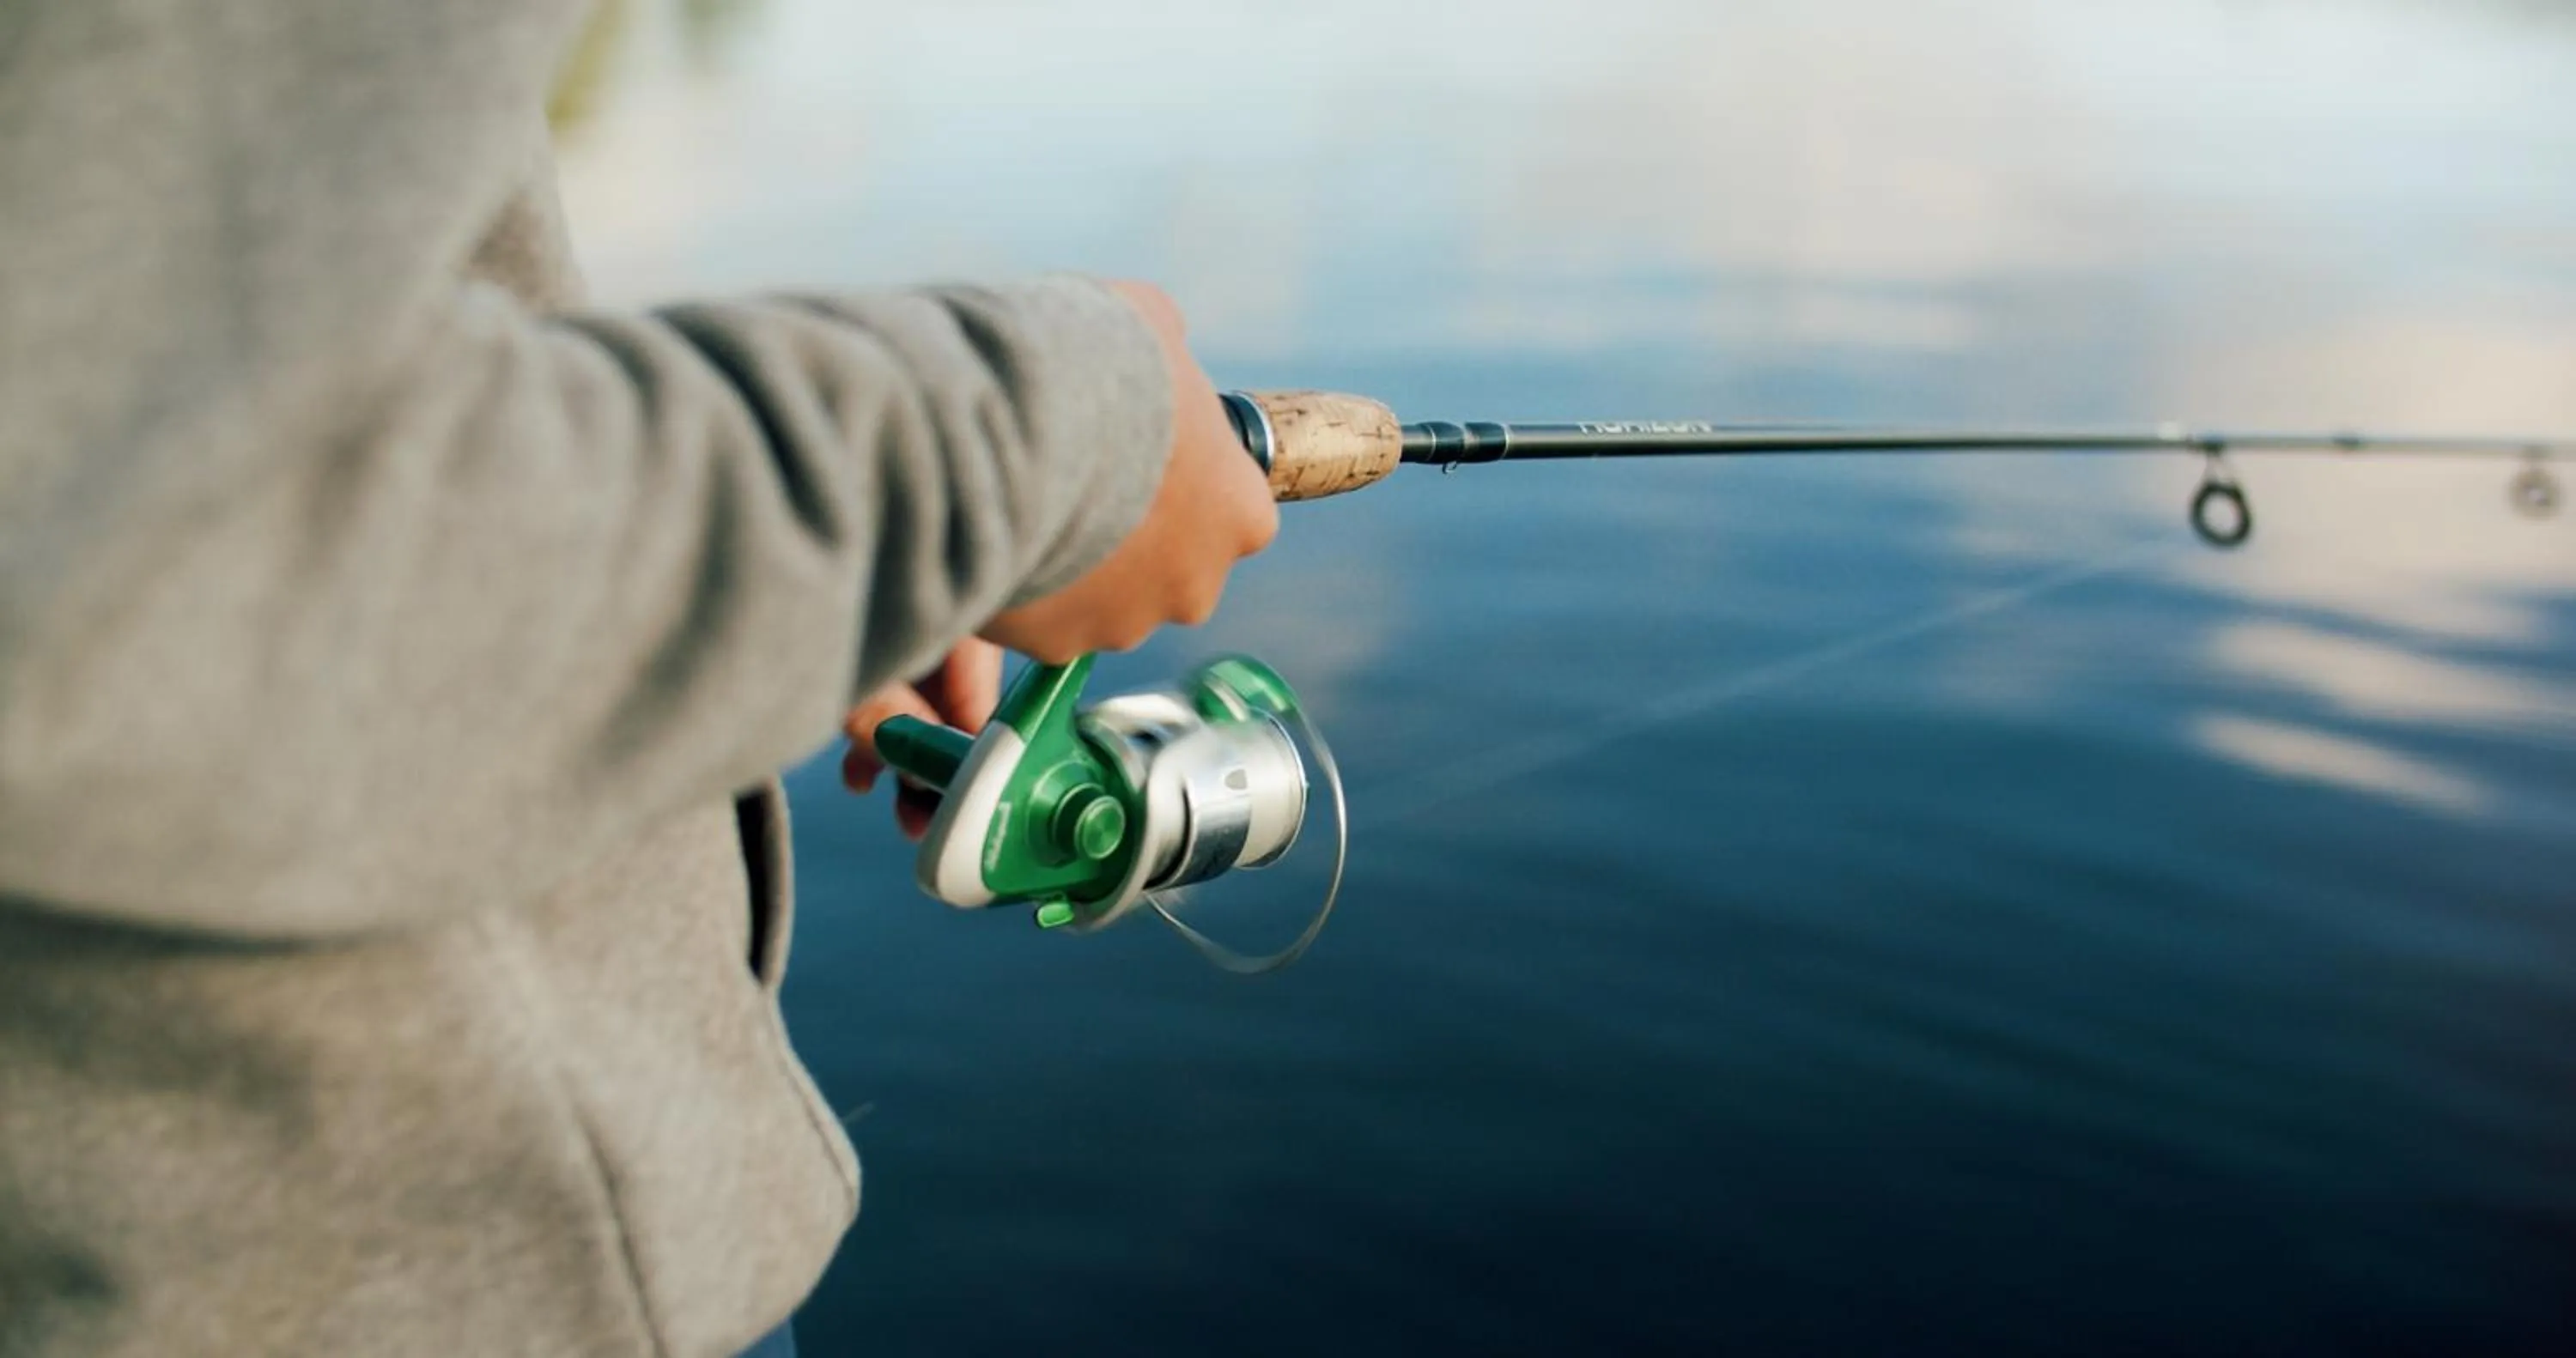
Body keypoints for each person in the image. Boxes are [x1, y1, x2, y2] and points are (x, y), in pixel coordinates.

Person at [0, 4, 1277, 1356]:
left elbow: (236, 368)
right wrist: (1037, 451)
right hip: (409, 1265)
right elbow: (141, 538)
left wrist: (800, 587)